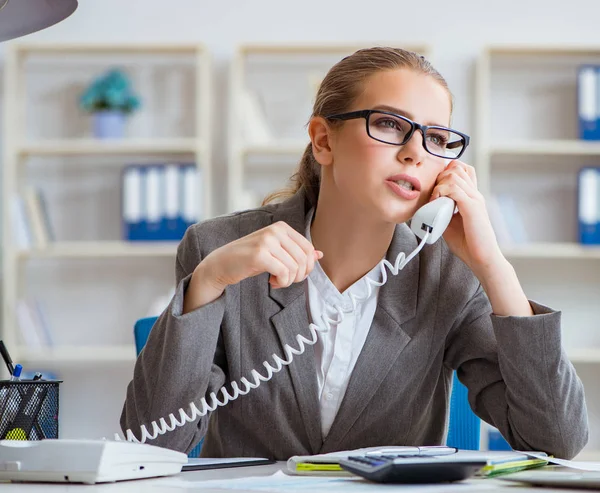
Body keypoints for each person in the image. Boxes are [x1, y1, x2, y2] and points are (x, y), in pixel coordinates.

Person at [120, 47, 588, 460]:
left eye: (437, 138)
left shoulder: (450, 274)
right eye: (388, 124)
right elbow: (149, 445)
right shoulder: (218, 250)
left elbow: (557, 439)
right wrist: (208, 283)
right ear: (324, 140)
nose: (414, 153)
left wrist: (494, 267)